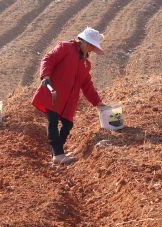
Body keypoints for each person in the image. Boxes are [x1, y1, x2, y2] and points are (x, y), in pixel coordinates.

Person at [31, 27, 108, 164]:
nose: (91, 50)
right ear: (84, 42)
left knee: (67, 125)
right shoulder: (65, 48)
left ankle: (57, 151)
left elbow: (87, 85)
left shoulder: (85, 63)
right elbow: (48, 59)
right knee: (53, 121)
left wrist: (98, 102)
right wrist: (45, 75)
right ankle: (58, 155)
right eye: (91, 46)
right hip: (53, 94)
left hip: (69, 101)